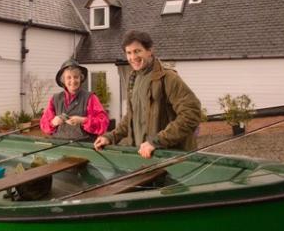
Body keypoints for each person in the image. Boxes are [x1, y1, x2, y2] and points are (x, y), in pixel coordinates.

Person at [94, 30, 201, 158]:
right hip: (143, 156)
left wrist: (157, 141)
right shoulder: (133, 78)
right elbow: (131, 117)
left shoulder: (168, 77)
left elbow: (191, 114)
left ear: (150, 50)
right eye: (129, 53)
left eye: (137, 51)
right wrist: (111, 136)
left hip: (170, 158)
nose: (133, 57)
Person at [40, 59, 109, 140]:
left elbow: (103, 123)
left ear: (80, 78)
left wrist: (83, 120)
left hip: (84, 147)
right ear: (63, 80)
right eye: (68, 77)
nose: (73, 81)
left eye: (76, 77)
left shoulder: (90, 98)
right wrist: (53, 122)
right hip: (58, 145)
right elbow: (44, 124)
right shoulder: (55, 99)